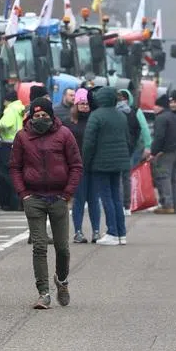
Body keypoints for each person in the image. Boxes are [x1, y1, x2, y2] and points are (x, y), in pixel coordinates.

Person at [9, 96, 83, 309]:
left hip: (59, 198)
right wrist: (23, 193)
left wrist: (67, 193)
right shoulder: (22, 137)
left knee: (62, 248)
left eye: (44, 115)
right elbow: (15, 166)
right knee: (40, 246)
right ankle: (43, 293)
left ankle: (61, 280)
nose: (40, 119)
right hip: (34, 198)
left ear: (52, 116)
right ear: (31, 117)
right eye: (37, 115)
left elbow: (76, 165)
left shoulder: (64, 135)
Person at [83, 87, 131, 245]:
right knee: (117, 197)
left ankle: (112, 232)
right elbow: (128, 139)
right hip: (119, 162)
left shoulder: (96, 116)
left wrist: (86, 162)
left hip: (100, 163)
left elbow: (89, 143)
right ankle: (121, 233)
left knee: (106, 198)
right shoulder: (121, 116)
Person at [65, 89, 100, 243]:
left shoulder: (95, 121)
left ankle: (96, 231)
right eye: (81, 103)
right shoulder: (69, 123)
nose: (85, 106)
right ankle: (78, 232)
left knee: (93, 200)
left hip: (94, 166)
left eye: (87, 103)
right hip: (77, 166)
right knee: (79, 200)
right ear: (76, 104)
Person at [150, 94, 176, 213]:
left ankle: (166, 205)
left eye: (155, 106)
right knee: (174, 179)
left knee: (163, 178)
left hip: (164, 153)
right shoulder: (175, 117)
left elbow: (159, 137)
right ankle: (175, 205)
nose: (153, 108)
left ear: (160, 107)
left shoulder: (161, 118)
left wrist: (154, 152)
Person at [116, 88, 148, 215]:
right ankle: (126, 205)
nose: (122, 101)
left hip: (122, 149)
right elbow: (140, 129)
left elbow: (141, 129)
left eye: (124, 98)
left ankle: (122, 204)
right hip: (129, 149)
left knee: (120, 177)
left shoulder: (112, 112)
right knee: (125, 177)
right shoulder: (134, 112)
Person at [0, 88, 26, 210]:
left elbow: (5, 124)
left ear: (7, 101)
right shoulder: (20, 108)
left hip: (8, 145)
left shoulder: (10, 109)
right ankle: (19, 202)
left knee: (8, 175)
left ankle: (11, 203)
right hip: (19, 143)